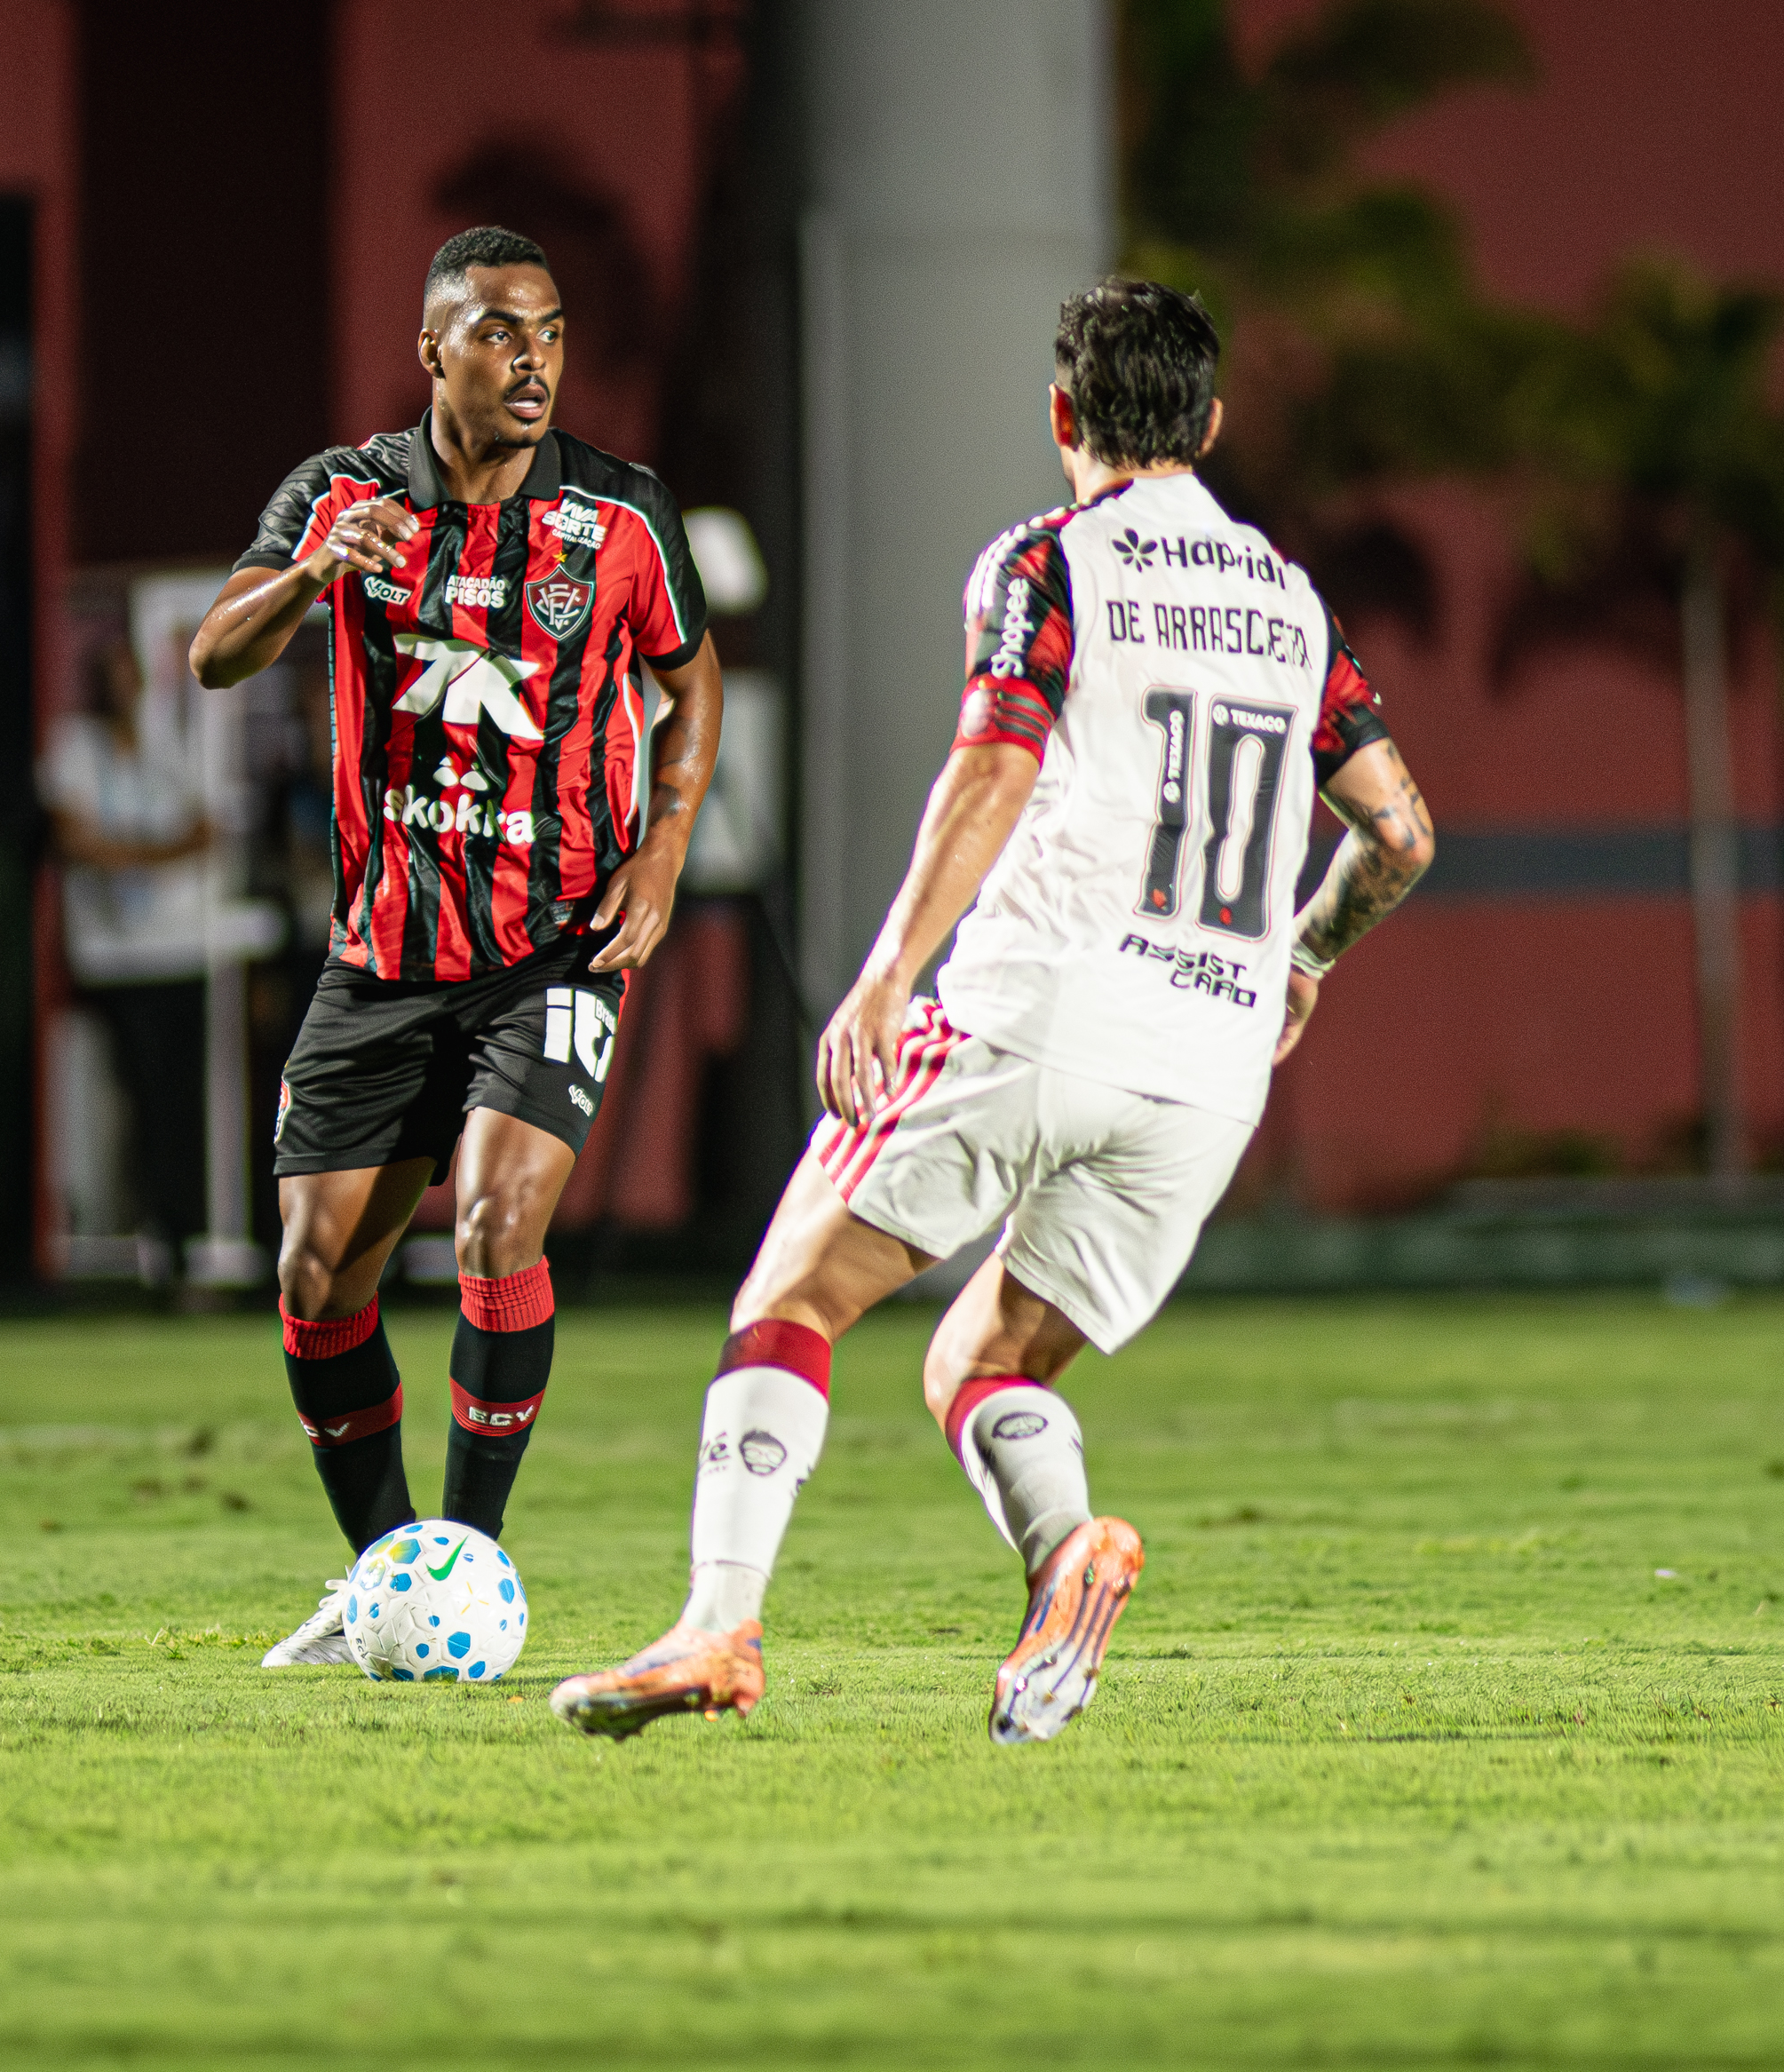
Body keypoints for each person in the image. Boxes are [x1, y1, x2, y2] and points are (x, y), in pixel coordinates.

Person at [550, 278, 1438, 1745]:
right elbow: (1397, 831)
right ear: (1210, 423)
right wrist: (1306, 956)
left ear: (1061, 414)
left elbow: (993, 766)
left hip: (1038, 1013)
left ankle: (717, 1628)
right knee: (985, 1360)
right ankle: (1065, 1552)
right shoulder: (1290, 602)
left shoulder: (1049, 562)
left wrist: (890, 972)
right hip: (1207, 1070)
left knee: (792, 1300)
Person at [185, 225, 724, 1664]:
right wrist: (308, 572)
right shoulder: (343, 495)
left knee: (496, 1219)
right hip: (383, 952)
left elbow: (690, 675)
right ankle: (392, 1576)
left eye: (547, 330)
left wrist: (666, 841)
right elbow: (212, 653)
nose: (531, 355)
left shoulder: (617, 516)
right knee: (313, 1273)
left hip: (555, 940)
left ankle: (470, 1556)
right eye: (496, 330)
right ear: (433, 352)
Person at [44, 639, 218, 1284]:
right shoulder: (74, 749)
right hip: (117, 959)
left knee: (184, 1103)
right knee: (137, 1104)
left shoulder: (164, 750)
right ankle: (153, 1238)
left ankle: (190, 1237)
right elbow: (77, 840)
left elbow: (209, 831)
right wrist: (160, 852)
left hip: (180, 952)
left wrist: (131, 852)